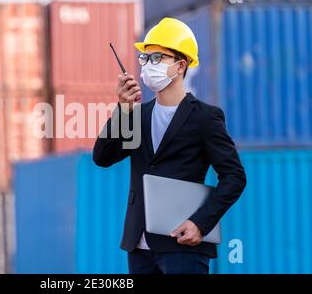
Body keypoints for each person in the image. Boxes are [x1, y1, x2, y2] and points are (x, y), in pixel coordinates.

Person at [93, 17, 247, 274]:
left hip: (183, 243)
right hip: (139, 245)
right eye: (145, 58)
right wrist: (122, 110)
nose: (147, 65)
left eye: (157, 58)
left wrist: (200, 223)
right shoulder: (137, 115)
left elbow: (235, 176)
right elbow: (102, 157)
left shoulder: (206, 117)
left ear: (180, 65)